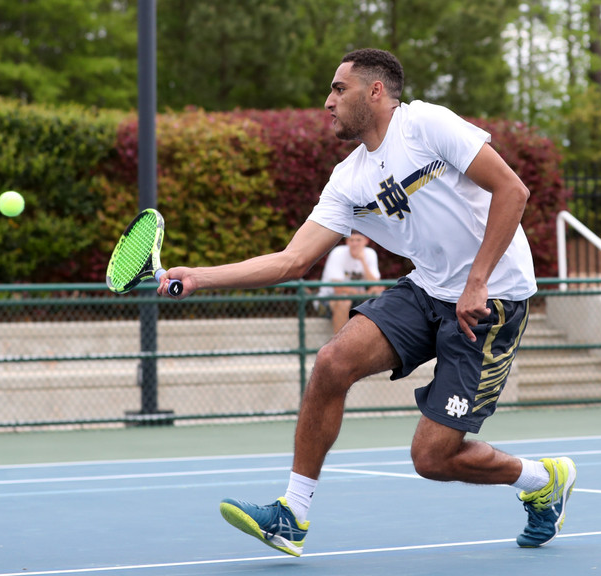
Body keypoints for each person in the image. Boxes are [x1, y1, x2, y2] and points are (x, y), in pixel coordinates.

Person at [157, 48, 576, 556]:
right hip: (429, 290)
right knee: (332, 362)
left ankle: (541, 480)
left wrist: (478, 280)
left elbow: (513, 190)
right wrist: (198, 277)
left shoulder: (425, 125)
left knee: (432, 458)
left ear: (375, 91)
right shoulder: (348, 179)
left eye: (339, 89)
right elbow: (293, 260)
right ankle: (292, 514)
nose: (328, 101)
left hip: (493, 299)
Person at [317, 230, 384, 333]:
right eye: (351, 240)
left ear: (366, 241)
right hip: (328, 300)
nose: (355, 244)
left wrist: (363, 261)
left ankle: (365, 340)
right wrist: (364, 293)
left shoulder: (370, 253)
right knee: (344, 301)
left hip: (357, 299)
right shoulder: (338, 253)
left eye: (358, 240)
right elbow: (338, 289)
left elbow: (376, 286)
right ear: (347, 241)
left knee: (374, 300)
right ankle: (339, 341)